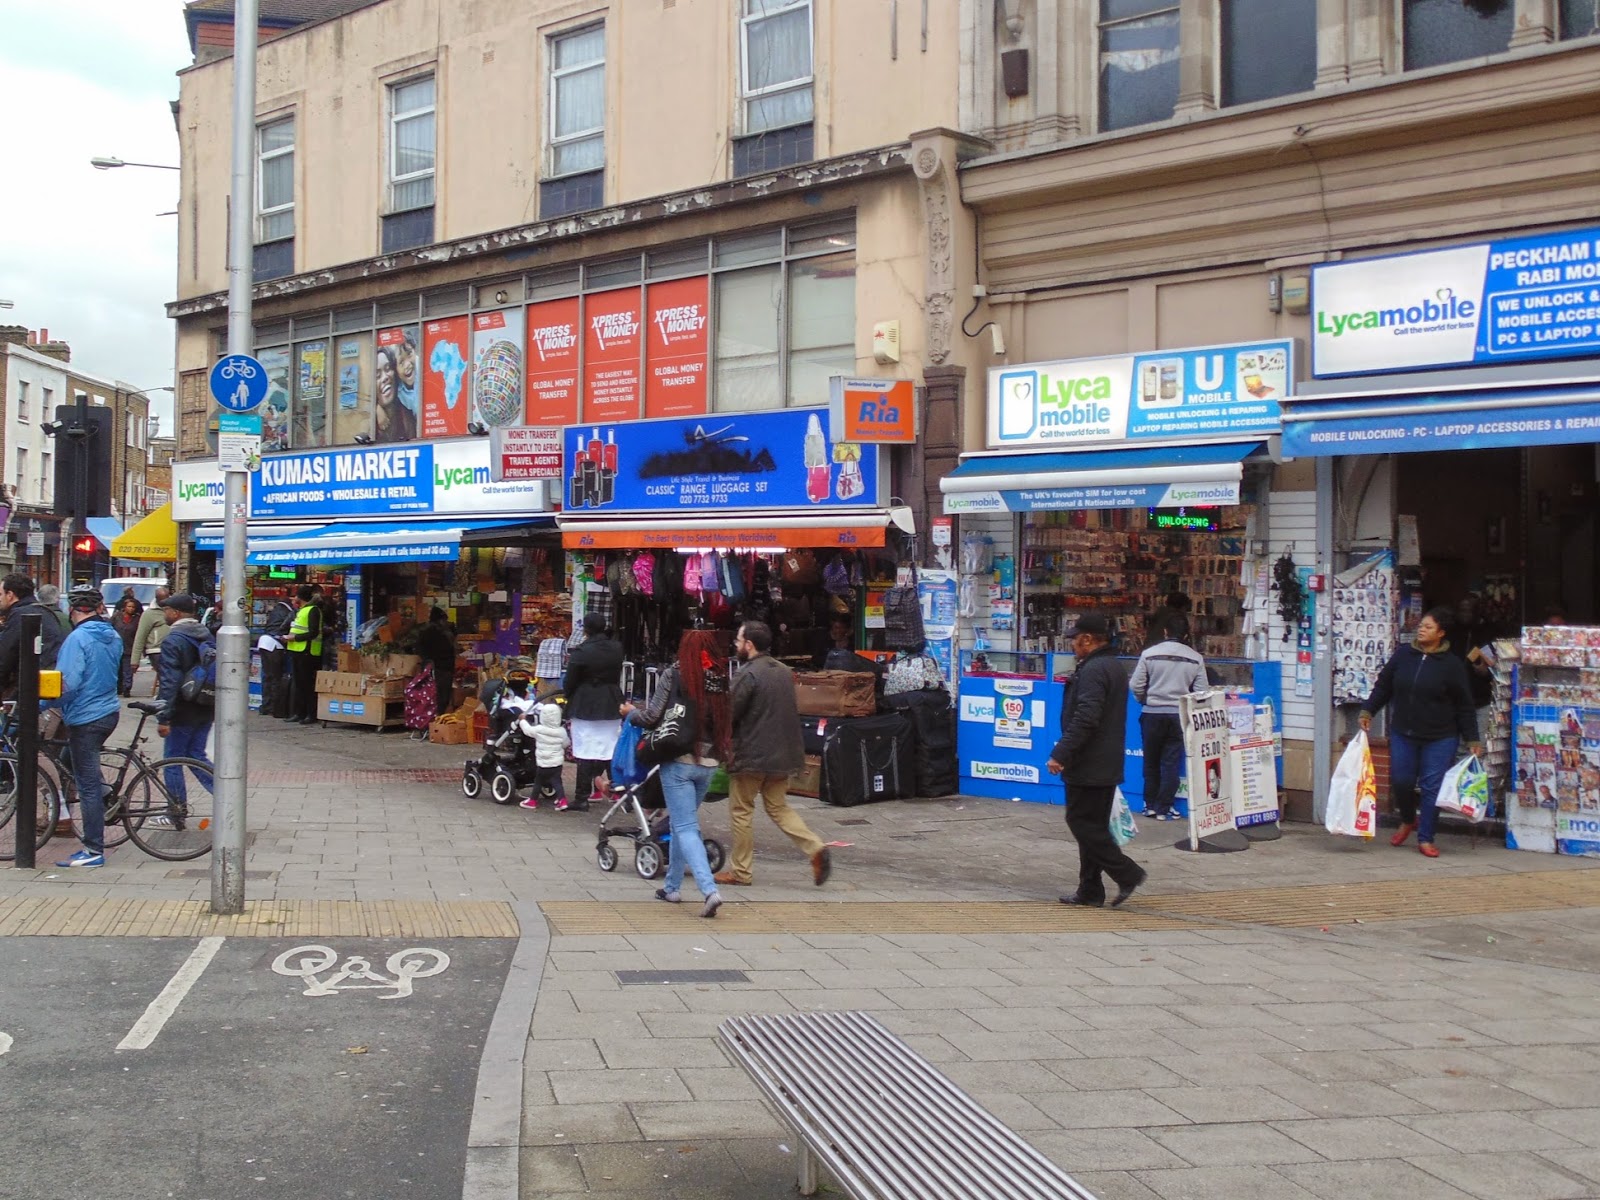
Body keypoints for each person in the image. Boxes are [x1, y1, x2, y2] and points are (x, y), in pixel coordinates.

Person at [623, 630, 731, 918]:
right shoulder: (719, 677)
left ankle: (709, 890)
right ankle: (671, 887)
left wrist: (630, 713)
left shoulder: (675, 674)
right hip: (709, 764)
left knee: (685, 828)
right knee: (681, 825)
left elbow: (652, 716)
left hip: (680, 761)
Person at [716, 620, 831, 888]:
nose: (735, 645)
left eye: (738, 640)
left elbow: (728, 713)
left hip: (751, 756)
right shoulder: (783, 671)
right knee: (778, 807)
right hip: (783, 755)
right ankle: (814, 847)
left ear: (750, 645)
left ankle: (741, 871)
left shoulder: (747, 674)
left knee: (742, 810)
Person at [1360, 607, 1482, 858]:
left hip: (1441, 736)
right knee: (1402, 780)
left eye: (1428, 627)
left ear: (1441, 633)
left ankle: (1426, 837)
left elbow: (1464, 704)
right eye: (1421, 625)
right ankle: (1407, 819)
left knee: (1431, 786)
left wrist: (1472, 738)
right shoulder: (1404, 654)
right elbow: (1384, 685)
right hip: (1404, 731)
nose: (1422, 629)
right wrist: (1367, 711)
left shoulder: (1452, 664)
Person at [1048, 615, 1145, 908]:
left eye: (1075, 640)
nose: (1072, 645)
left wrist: (1061, 753)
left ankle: (1127, 872)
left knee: (1081, 823)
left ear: (1088, 639)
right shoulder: (1113, 666)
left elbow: (1086, 718)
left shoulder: (1094, 669)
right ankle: (1090, 890)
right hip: (1105, 761)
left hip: (1089, 763)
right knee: (1094, 826)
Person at [54, 588, 123, 868]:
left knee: (87, 785)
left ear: (74, 611)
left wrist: (42, 703)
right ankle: (109, 796)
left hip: (85, 717)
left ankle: (93, 849)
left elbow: (67, 682)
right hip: (108, 712)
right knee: (66, 760)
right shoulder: (113, 636)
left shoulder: (78, 638)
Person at [1129, 612, 1205, 821]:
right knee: (1170, 763)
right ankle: (1165, 806)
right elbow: (1201, 691)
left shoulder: (1149, 654)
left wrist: (1144, 700)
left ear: (1165, 632)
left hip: (1152, 714)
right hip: (1178, 716)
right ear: (1186, 635)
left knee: (1151, 761)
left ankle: (1150, 805)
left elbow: (1135, 685)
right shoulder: (1195, 658)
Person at [154, 593, 215, 827]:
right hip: (205, 705)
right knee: (196, 756)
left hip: (182, 709)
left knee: (172, 760)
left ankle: (176, 810)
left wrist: (164, 716)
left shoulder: (173, 640)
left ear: (176, 613)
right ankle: (227, 798)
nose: (164, 614)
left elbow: (170, 681)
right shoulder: (206, 635)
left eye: (167, 610)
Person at [563, 612, 625, 810]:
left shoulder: (581, 651)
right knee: (612, 749)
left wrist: (568, 696)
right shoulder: (617, 648)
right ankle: (618, 791)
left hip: (586, 702)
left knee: (585, 751)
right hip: (612, 699)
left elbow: (570, 680)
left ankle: (582, 796)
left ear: (586, 629)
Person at [0, 573, 66, 700]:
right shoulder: (47, 613)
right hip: (47, 688)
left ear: (10, 595)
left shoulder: (20, 615)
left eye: (0, 594)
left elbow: (4, 658)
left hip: (26, 692)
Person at [285, 584, 323, 724]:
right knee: (299, 684)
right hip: (297, 650)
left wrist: (295, 638)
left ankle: (310, 714)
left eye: (296, 596)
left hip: (308, 651)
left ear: (300, 597)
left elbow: (313, 632)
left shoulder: (313, 610)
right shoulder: (302, 610)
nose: (294, 598)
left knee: (307, 685)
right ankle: (299, 713)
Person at [413, 607, 457, 724]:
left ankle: (436, 717)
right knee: (440, 695)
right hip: (439, 667)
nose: (445, 622)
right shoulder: (436, 632)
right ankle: (437, 717)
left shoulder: (442, 631)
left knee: (437, 694)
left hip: (438, 666)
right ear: (439, 620)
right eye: (443, 619)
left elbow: (419, 648)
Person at [257, 588, 294, 717]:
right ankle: (274, 707)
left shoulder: (274, 611)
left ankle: (265, 706)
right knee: (275, 677)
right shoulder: (288, 612)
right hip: (275, 645)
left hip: (264, 642)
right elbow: (285, 628)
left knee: (267, 677)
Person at [130, 586, 173, 699]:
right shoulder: (149, 614)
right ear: (156, 599)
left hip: (173, 647)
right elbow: (140, 636)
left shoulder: (172, 609)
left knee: (172, 676)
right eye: (162, 600)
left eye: (166, 599)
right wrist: (135, 661)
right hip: (156, 649)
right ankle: (164, 699)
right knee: (166, 675)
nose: (164, 602)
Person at [526, 701, 569, 812]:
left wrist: (522, 721)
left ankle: (533, 801)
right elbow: (566, 744)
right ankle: (562, 800)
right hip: (557, 763)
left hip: (543, 763)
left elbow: (528, 730)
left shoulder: (539, 729)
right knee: (557, 781)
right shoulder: (561, 731)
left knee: (538, 781)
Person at [110, 595, 142, 697]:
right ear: (125, 607)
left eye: (133, 607)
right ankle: (118, 688)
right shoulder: (116, 616)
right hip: (116, 648)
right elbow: (110, 628)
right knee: (117, 670)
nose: (131, 609)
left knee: (128, 670)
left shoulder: (137, 619)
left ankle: (127, 688)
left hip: (129, 648)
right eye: (129, 606)